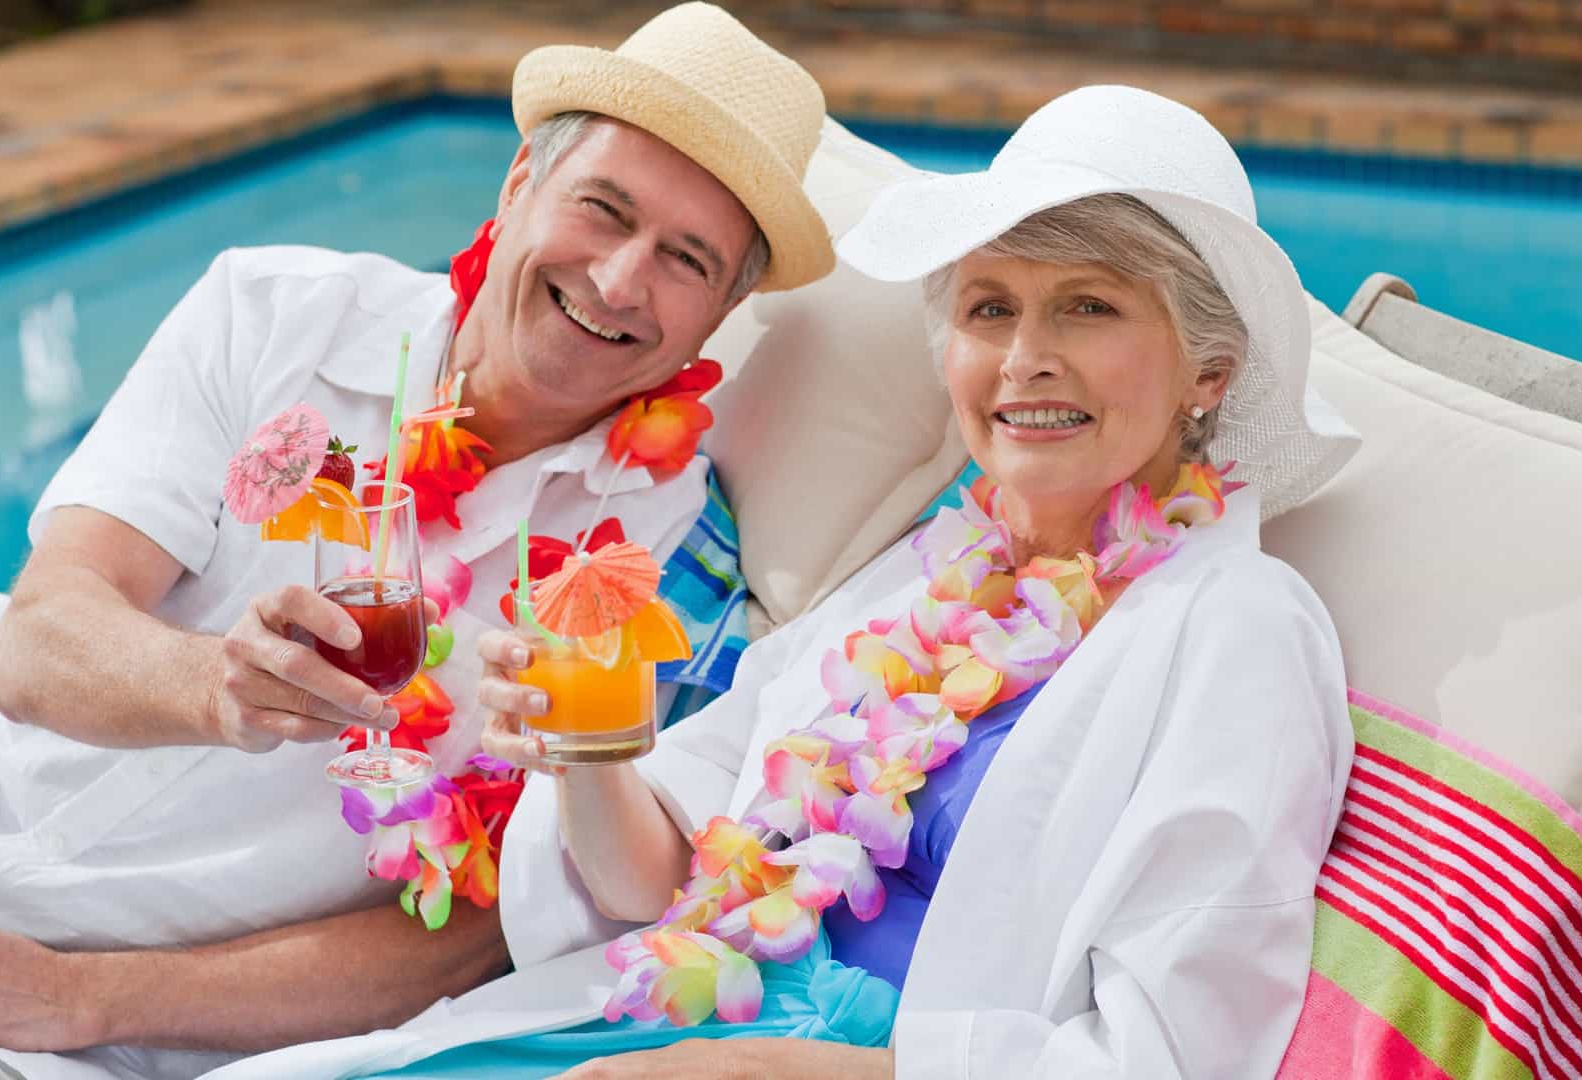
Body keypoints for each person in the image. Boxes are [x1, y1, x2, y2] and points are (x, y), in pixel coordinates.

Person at [0, 6, 833, 1080]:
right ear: (522, 177)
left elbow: (468, 941)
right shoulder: (275, 311)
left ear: (722, 312)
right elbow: (43, 638)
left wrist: (89, 997)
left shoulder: (663, 567)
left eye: (686, 260)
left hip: (106, 1017)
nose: (619, 278)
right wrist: (217, 685)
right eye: (605, 207)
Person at [209, 84, 1363, 1080]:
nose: (1024, 358)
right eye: (990, 306)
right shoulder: (918, 586)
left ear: (1207, 371)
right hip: (665, 1030)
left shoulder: (1239, 632)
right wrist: (591, 757)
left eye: (1090, 306)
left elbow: (1179, 1053)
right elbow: (649, 877)